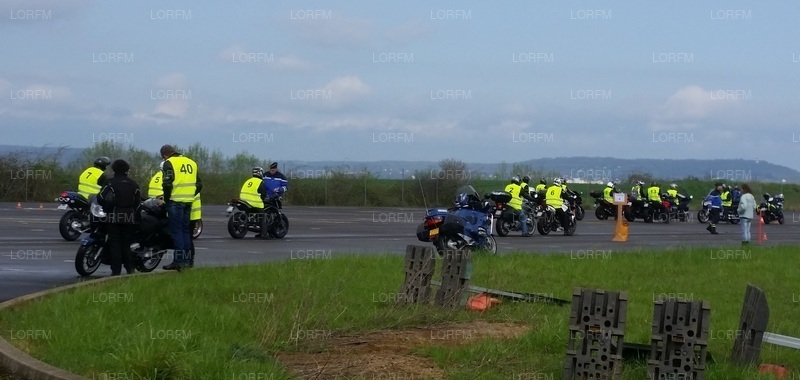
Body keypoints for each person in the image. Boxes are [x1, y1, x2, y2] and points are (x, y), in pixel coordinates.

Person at [158, 145, 202, 270]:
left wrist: (167, 199)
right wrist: (190, 194)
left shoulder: (169, 163)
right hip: (188, 202)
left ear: (165, 155)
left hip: (175, 202)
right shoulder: (191, 162)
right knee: (185, 232)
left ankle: (179, 261)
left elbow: (167, 183)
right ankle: (187, 261)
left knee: (176, 232)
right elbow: (199, 184)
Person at [97, 159, 141, 276]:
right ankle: (130, 269)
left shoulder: (110, 183)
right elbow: (137, 203)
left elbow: (100, 197)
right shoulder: (133, 184)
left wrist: (107, 207)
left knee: (115, 243)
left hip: (113, 216)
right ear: (127, 170)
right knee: (127, 244)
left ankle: (116, 271)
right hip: (129, 217)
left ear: (114, 170)